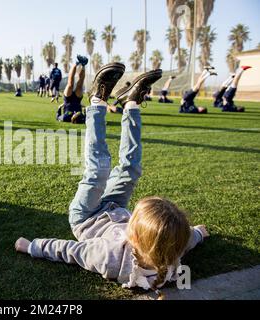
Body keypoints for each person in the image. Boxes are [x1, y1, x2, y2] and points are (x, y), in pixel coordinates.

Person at [15, 64, 209, 296]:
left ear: (134, 235)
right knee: (131, 168)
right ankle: (131, 103)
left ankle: (97, 101)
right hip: (114, 207)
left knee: (98, 170)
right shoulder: (172, 250)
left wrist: (31, 247)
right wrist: (198, 233)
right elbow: (188, 239)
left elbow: (68, 250)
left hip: (86, 217)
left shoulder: (108, 257)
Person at [56, 55, 88, 124]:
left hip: (67, 100)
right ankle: (83, 65)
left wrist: (59, 108)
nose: (75, 114)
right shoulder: (81, 119)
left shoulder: (66, 118)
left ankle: (76, 64)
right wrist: (85, 110)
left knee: (70, 84)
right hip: (77, 100)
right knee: (80, 85)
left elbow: (58, 117)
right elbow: (86, 117)